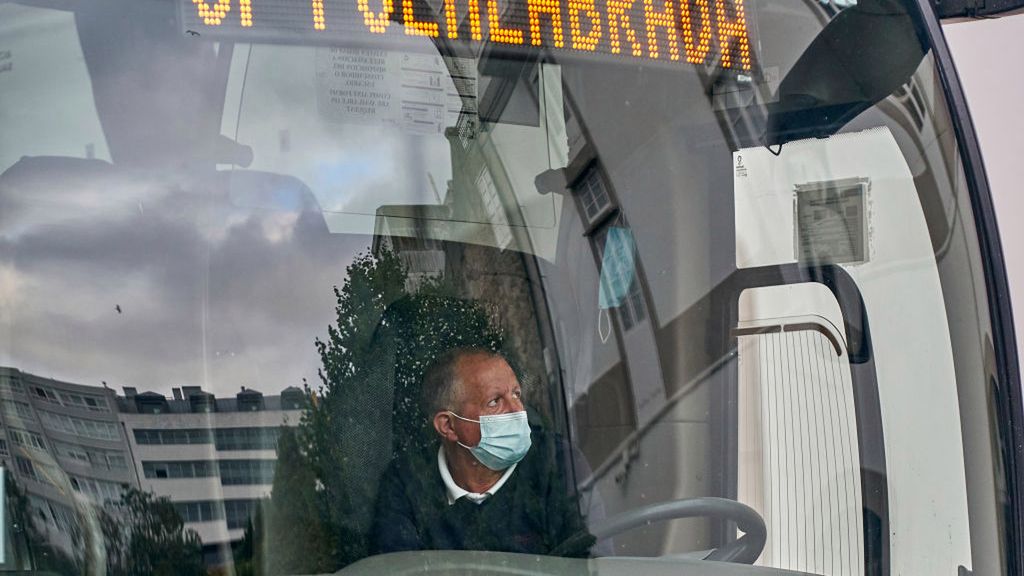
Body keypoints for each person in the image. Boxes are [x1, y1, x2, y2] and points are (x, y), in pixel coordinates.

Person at [370, 347, 594, 557]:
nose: (518, 410)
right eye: (495, 402)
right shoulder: (407, 482)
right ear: (448, 426)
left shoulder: (557, 463)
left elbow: (589, 562)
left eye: (516, 394)